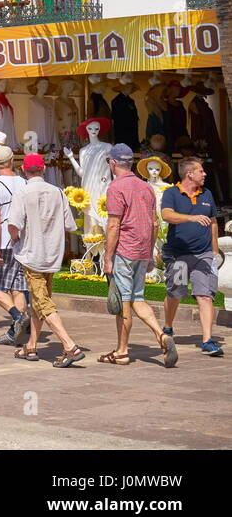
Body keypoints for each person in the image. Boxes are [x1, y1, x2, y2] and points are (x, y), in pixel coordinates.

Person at [6, 153, 85, 366]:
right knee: (39, 301)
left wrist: (15, 239)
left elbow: (13, 224)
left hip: (32, 255)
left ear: (24, 170)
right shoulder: (58, 192)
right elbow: (70, 224)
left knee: (42, 302)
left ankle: (70, 346)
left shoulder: (22, 193)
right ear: (43, 170)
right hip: (52, 254)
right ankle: (31, 346)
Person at [102, 143, 176, 367]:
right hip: (143, 250)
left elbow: (114, 225)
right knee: (137, 298)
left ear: (113, 163)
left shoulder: (116, 187)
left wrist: (107, 257)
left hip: (125, 250)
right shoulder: (146, 187)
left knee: (124, 302)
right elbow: (154, 223)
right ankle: (161, 335)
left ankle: (122, 351)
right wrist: (151, 252)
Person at [160, 157, 224, 357]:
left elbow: (213, 221)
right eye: (201, 171)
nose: (204, 174)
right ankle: (168, 326)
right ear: (189, 174)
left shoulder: (207, 194)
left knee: (205, 295)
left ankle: (207, 341)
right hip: (178, 255)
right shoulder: (171, 193)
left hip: (203, 255)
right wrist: (191, 218)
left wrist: (214, 250)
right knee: (176, 292)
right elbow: (167, 215)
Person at [0, 146, 30, 346]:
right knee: (17, 287)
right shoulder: (24, 182)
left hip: (4, 241)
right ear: (12, 161)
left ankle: (18, 316)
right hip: (21, 240)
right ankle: (15, 330)